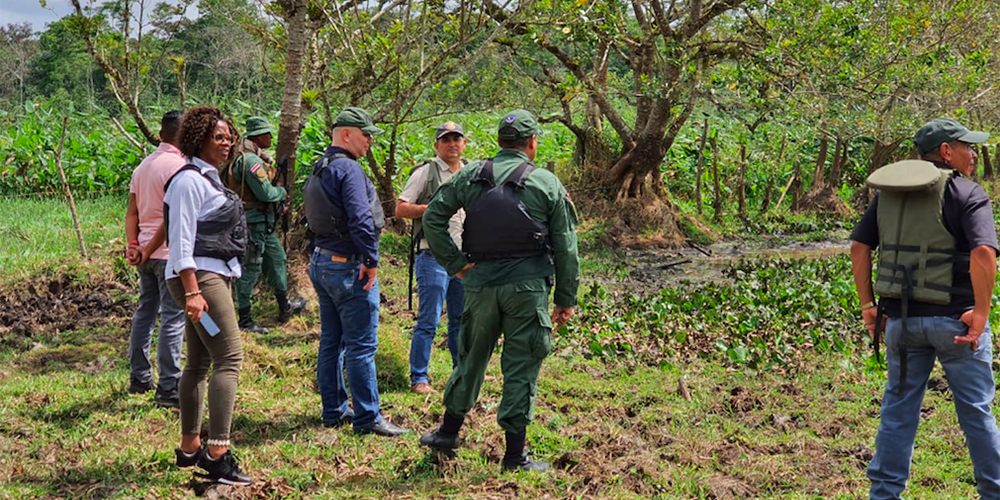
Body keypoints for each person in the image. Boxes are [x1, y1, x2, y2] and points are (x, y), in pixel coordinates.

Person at [418, 110, 579, 471]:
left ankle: (448, 432)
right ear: (532, 143)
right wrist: (566, 299)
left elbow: (432, 217)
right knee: (521, 366)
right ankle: (514, 456)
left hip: (479, 285)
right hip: (527, 289)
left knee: (471, 357)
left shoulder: (472, 175)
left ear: (499, 142)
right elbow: (567, 247)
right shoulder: (547, 183)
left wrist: (455, 264)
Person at [851, 117, 1000, 499]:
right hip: (957, 325)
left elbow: (859, 247)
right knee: (977, 414)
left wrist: (868, 305)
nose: (973, 154)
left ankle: (884, 494)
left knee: (898, 412)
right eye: (967, 147)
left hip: (901, 324)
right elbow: (984, 252)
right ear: (947, 152)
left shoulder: (888, 195)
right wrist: (981, 313)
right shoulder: (968, 193)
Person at [303, 107, 408, 437]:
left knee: (331, 342)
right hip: (348, 266)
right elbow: (361, 219)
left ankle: (333, 410)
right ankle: (367, 417)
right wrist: (371, 261)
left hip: (322, 262)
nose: (370, 142)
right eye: (366, 135)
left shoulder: (320, 167)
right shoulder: (349, 169)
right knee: (362, 346)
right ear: (346, 134)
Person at [164, 106, 252, 486]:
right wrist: (194, 292)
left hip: (207, 277)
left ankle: (189, 447)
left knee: (198, 362)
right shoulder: (187, 181)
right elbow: (181, 241)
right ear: (198, 139)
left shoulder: (210, 179)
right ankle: (218, 454)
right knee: (229, 357)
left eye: (229, 135)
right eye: (219, 136)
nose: (227, 141)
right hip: (201, 279)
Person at [396, 121, 468, 395]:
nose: (452, 144)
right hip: (433, 255)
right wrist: (431, 209)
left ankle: (460, 374)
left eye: (456, 139)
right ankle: (419, 378)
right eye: (446, 139)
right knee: (430, 318)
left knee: (461, 319)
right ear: (437, 145)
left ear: (464, 143)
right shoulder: (426, 172)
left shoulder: (470, 172)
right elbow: (401, 208)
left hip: (464, 259)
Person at [124, 111, 186, 407]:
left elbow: (132, 213)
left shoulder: (143, 166)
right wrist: (148, 249)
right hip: (167, 254)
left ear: (161, 134)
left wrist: (134, 245)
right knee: (173, 319)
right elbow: (171, 217)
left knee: (145, 314)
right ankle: (169, 386)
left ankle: (139, 378)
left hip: (146, 255)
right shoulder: (180, 168)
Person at [222, 116, 305, 334]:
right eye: (266, 133)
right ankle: (245, 318)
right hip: (253, 224)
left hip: (263, 224)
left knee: (278, 259)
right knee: (250, 268)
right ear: (257, 136)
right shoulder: (251, 161)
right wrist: (283, 192)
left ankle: (284, 305)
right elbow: (265, 193)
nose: (270, 137)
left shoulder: (252, 157)